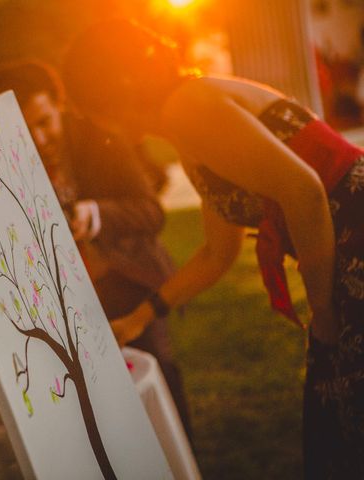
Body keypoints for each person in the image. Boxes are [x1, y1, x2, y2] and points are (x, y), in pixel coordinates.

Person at [62, 18, 364, 479]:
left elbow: (304, 192)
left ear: (110, 88)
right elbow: (216, 254)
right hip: (344, 253)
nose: (90, 120)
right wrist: (143, 315)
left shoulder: (190, 105)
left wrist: (322, 313)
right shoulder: (186, 126)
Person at [0, 60, 193, 437]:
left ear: (59, 103)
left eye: (45, 121)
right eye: (24, 128)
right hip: (68, 300)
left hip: (130, 283)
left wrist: (95, 213)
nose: (39, 137)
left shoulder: (100, 139)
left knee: (156, 383)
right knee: (100, 409)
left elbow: (152, 211)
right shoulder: (3, 161)